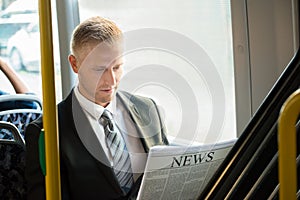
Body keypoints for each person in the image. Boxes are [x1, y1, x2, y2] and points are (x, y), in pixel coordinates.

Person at [25, 16, 169, 200]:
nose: (111, 81)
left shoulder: (148, 109)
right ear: (74, 64)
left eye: (117, 67)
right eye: (99, 69)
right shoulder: (48, 131)